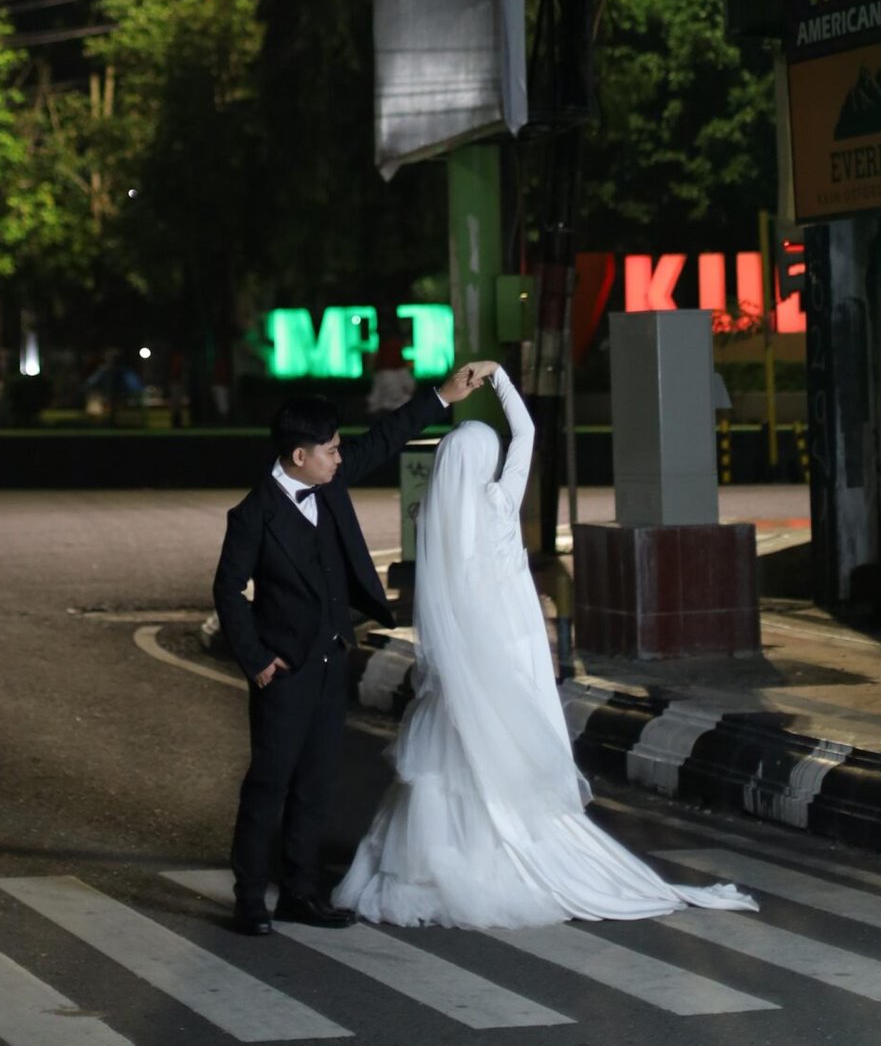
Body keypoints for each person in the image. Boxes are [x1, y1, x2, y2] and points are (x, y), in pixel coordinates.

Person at [335, 362, 756, 929]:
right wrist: (500, 379)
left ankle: (444, 865)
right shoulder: (499, 504)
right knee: (508, 756)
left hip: (463, 662)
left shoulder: (438, 523)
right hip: (511, 649)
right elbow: (527, 432)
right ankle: (510, 855)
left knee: (450, 764)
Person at [213, 363, 481, 936]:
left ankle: (300, 892)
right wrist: (256, 659)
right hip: (284, 672)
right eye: (331, 450)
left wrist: (442, 395)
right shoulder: (254, 515)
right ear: (299, 455)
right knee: (269, 784)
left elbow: (384, 439)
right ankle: (249, 898)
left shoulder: (329, 483)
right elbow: (228, 590)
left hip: (331, 658)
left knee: (316, 784)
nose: (340, 457)